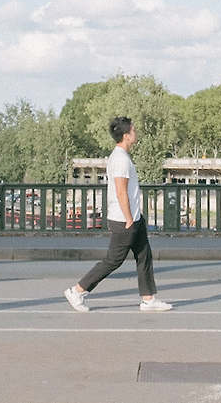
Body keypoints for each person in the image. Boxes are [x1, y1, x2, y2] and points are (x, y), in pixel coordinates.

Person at [64, 116, 172, 313]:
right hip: (124, 219)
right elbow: (121, 192)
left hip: (133, 217)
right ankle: (77, 291)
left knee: (144, 256)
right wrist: (129, 219)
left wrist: (135, 217)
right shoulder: (121, 159)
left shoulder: (120, 156)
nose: (136, 132)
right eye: (133, 130)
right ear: (126, 135)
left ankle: (148, 299)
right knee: (113, 260)